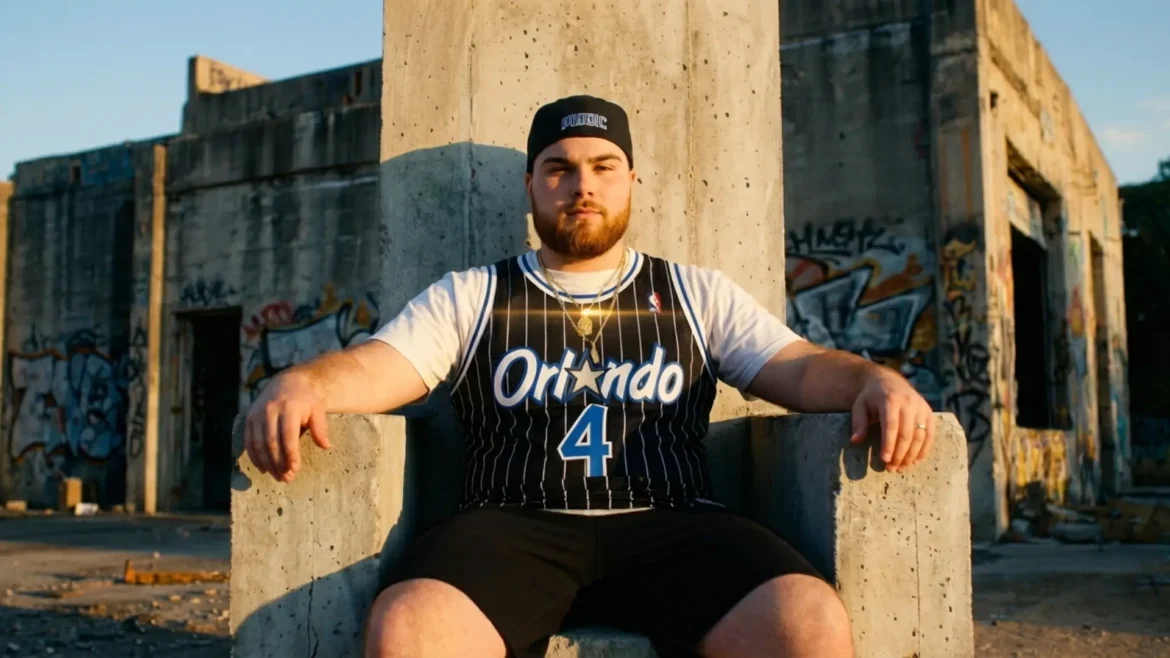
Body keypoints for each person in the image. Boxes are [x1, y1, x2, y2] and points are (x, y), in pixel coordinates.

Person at [243, 95, 936, 658]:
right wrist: (309, 383)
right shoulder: (474, 294)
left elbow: (799, 367)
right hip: (510, 526)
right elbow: (381, 363)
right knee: (409, 628)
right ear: (530, 186)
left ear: (631, 179)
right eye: (559, 168)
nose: (582, 186)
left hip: (672, 523)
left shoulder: (694, 292)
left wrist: (873, 380)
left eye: (604, 166)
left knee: (807, 621)